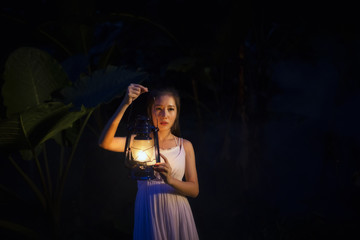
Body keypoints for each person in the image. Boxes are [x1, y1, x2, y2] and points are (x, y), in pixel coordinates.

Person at [98, 83, 199, 240]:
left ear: (177, 112)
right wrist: (126, 102)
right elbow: (105, 142)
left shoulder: (185, 146)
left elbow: (194, 190)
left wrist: (171, 180)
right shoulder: (138, 142)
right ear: (150, 111)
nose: (164, 114)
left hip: (177, 211)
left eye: (170, 109)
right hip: (149, 208)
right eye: (158, 108)